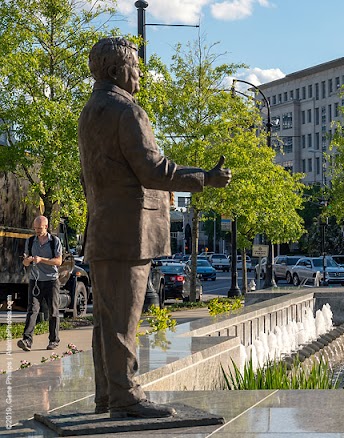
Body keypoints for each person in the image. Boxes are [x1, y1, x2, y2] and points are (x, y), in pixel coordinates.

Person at [78, 37, 231, 419]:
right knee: (124, 321)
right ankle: (126, 397)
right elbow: (153, 169)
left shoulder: (90, 111)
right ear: (117, 71)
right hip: (130, 232)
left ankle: (107, 395)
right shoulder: (126, 111)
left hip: (102, 228)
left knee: (107, 321)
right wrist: (205, 178)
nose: (140, 75)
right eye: (136, 67)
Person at [18, 215, 63, 352]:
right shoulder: (31, 241)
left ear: (46, 227)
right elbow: (25, 262)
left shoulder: (54, 241)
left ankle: (54, 341)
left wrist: (41, 259)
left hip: (51, 281)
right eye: (35, 228)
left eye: (39, 228)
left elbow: (58, 261)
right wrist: (28, 260)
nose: (37, 231)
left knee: (53, 311)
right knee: (32, 310)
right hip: (35, 281)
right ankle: (27, 340)